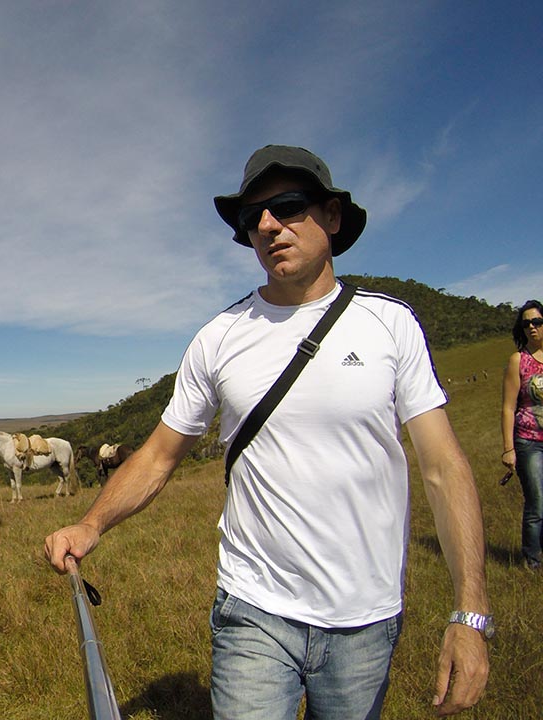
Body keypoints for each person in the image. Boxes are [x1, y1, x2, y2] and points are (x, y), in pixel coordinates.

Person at [44, 145, 490, 718]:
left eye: (287, 206)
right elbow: (158, 455)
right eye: (251, 217)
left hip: (365, 618)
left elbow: (442, 465)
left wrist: (469, 612)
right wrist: (90, 523)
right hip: (253, 607)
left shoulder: (390, 325)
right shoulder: (220, 336)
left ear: (332, 216)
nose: (267, 226)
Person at [500, 299, 543, 570]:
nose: (531, 328)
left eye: (537, 322)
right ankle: (532, 561)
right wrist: (508, 448)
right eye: (526, 323)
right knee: (537, 502)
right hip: (529, 441)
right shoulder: (519, 360)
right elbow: (507, 407)